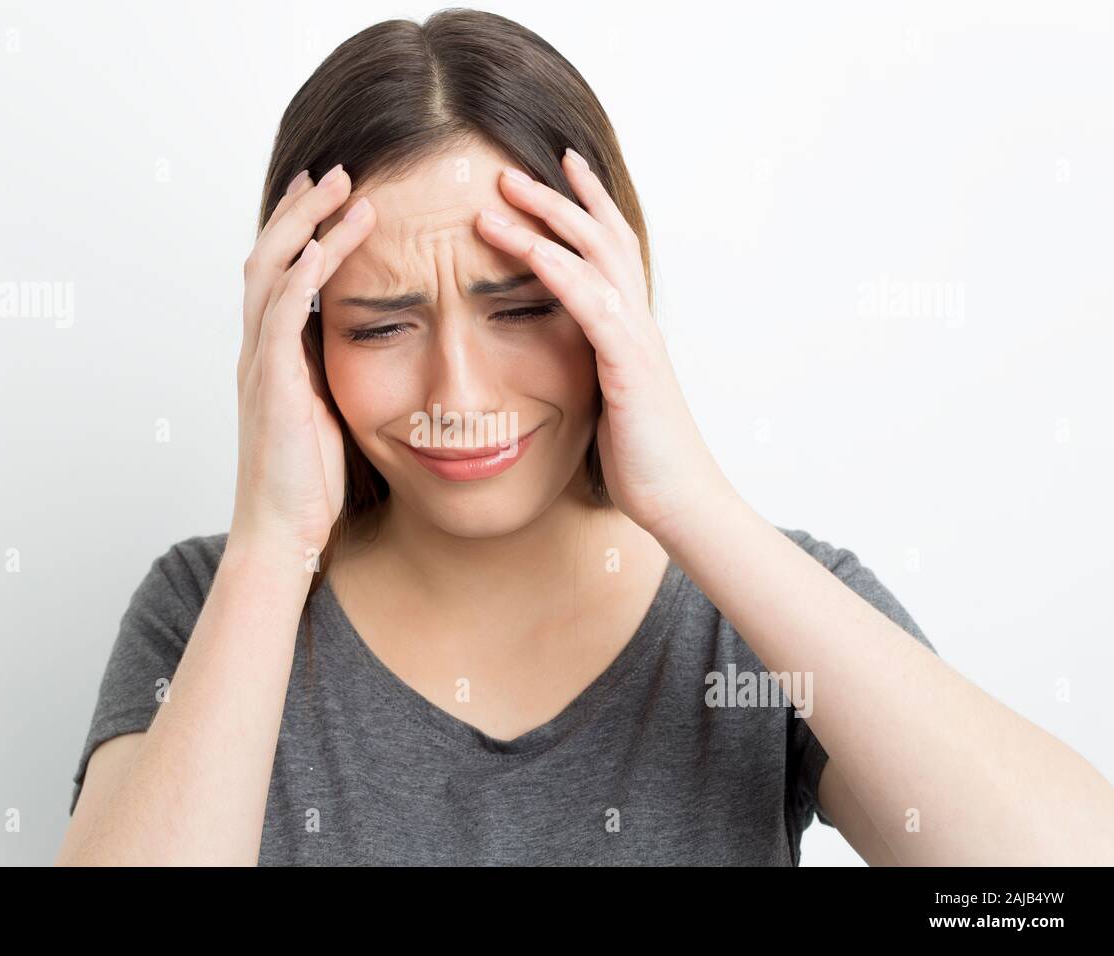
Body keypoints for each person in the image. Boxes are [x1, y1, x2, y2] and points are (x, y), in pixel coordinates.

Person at [55, 9, 1114, 866]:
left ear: (615, 299)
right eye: (381, 325)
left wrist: (690, 502)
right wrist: (273, 538)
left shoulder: (758, 617)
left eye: (520, 310)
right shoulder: (208, 607)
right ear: (298, 341)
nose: (456, 389)